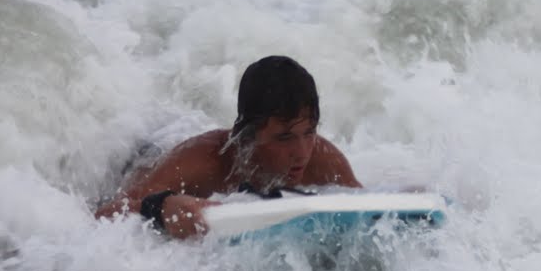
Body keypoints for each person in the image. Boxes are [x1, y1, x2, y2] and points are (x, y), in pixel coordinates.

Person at [94, 56, 361, 239]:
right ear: (247, 136)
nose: (302, 152)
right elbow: (105, 214)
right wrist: (161, 206)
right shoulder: (203, 162)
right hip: (146, 151)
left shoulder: (323, 160)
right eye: (284, 138)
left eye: (309, 132)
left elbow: (366, 210)